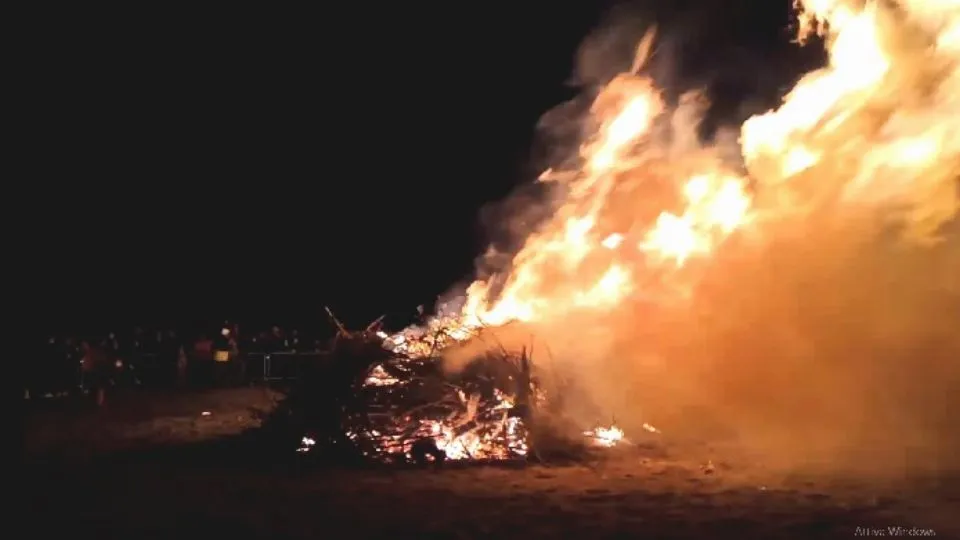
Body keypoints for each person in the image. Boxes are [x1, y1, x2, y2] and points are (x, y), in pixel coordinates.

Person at [80, 340, 111, 407]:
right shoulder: (89, 353)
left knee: (100, 387)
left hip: (97, 371)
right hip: (93, 372)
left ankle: (99, 403)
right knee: (98, 387)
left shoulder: (95, 352)